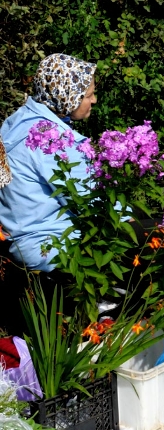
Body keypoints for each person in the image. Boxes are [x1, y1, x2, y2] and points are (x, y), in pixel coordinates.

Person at [0, 54, 98, 271]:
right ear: (68, 97)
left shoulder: (18, 121)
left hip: (18, 239)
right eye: (88, 95)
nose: (94, 100)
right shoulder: (52, 140)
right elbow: (90, 202)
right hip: (52, 246)